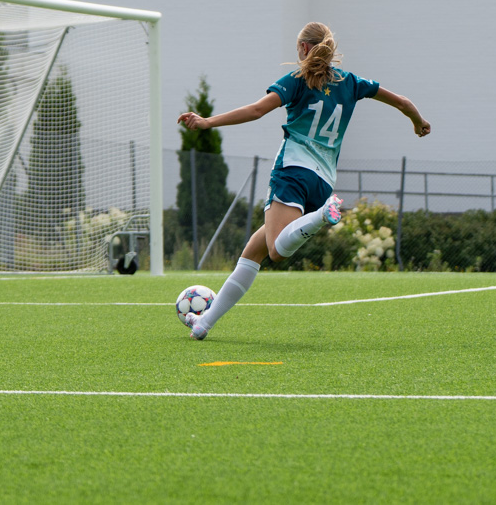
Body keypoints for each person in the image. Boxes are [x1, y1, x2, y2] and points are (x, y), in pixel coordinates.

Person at [176, 22, 430, 340]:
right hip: (323, 182)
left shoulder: (297, 79)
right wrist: (418, 122)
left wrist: (207, 122)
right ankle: (203, 324)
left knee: (276, 251)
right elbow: (403, 102)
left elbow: (256, 110)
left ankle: (322, 215)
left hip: (293, 171)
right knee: (253, 251)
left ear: (304, 48)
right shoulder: (351, 82)